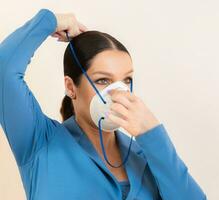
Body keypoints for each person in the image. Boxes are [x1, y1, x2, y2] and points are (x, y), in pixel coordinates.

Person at [0, 8, 207, 200]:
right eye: (103, 80)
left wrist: (152, 134)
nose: (118, 92)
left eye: (126, 80)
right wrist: (51, 22)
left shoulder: (146, 155)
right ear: (71, 87)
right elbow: (3, 70)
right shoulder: (40, 142)